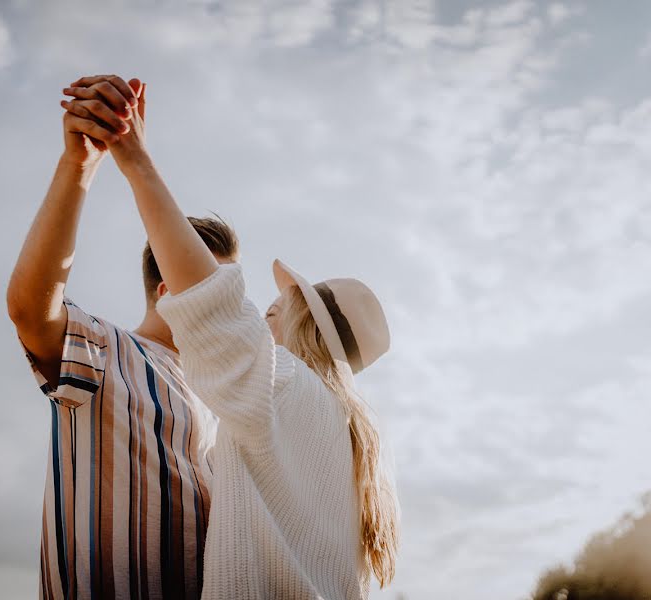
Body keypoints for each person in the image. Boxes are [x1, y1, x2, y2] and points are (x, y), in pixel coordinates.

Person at [64, 75, 400, 598]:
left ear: (303, 325)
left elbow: (211, 304)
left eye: (272, 309)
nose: (261, 316)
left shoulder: (283, 385)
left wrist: (135, 159)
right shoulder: (345, 437)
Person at [6, 74, 240, 599]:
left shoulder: (222, 394)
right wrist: (79, 167)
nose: (231, 306)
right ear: (167, 289)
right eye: (215, 286)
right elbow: (29, 311)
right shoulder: (108, 351)